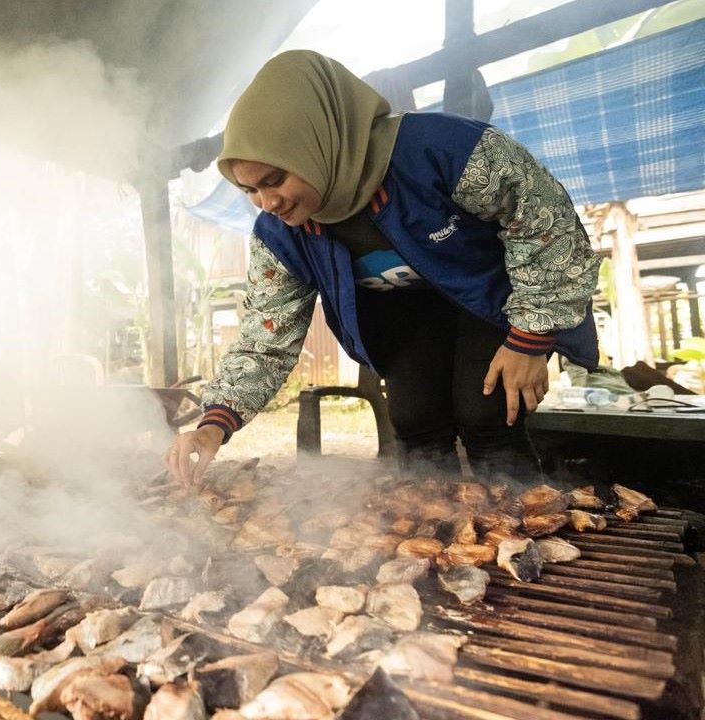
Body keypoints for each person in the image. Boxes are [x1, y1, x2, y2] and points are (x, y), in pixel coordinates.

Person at [166, 51, 599, 485]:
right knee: (416, 422)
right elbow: (266, 335)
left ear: (317, 143)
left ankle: (521, 515)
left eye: (275, 180)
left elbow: (548, 225)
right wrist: (213, 425)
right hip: (404, 316)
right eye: (250, 190)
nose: (267, 203)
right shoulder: (279, 234)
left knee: (487, 414)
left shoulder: (446, 150)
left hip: (489, 299)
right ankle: (434, 518)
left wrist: (529, 340)